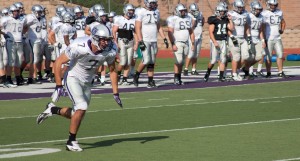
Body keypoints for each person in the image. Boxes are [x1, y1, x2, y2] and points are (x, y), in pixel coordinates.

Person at [36, 24, 122, 151]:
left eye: (108, 39)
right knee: (81, 107)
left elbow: (113, 70)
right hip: (73, 78)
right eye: (103, 39)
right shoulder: (79, 45)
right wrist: (58, 85)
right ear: (94, 38)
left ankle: (52, 110)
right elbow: (59, 61)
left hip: (88, 82)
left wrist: (115, 93)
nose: (106, 42)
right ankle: (71, 141)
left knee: (77, 113)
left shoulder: (111, 49)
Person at [133, 0, 169, 88]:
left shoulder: (156, 11)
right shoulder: (140, 11)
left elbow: (158, 26)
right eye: (152, 3)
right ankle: (136, 75)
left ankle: (150, 80)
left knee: (152, 61)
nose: (154, 4)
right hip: (145, 39)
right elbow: (137, 27)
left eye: (154, 3)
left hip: (153, 40)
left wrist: (164, 38)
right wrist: (140, 41)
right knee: (146, 60)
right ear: (146, 3)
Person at [203, 4, 234, 82]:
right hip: (216, 41)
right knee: (213, 60)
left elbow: (231, 28)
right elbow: (210, 32)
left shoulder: (226, 19)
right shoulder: (213, 19)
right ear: (217, 12)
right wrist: (214, 42)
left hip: (223, 41)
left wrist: (230, 20)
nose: (223, 13)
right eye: (221, 12)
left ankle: (221, 76)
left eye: (224, 12)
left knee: (223, 59)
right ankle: (208, 72)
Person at [167, 3, 195, 85]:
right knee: (178, 60)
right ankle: (176, 77)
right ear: (177, 11)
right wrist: (173, 44)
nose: (183, 12)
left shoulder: (188, 18)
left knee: (182, 62)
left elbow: (191, 32)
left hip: (186, 42)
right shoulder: (173, 19)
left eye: (184, 10)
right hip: (177, 42)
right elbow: (170, 33)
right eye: (181, 11)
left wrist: (192, 43)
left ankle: (179, 77)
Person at [0, 4, 25, 87]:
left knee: (19, 61)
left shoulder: (21, 19)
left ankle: (18, 78)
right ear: (11, 12)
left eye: (17, 11)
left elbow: (26, 27)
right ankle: (8, 79)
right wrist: (4, 34)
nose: (17, 12)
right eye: (15, 11)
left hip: (20, 42)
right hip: (11, 42)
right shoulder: (6, 19)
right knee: (11, 61)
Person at [227, 0, 252, 81]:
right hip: (234, 37)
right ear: (235, 6)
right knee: (236, 57)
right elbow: (227, 27)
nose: (241, 9)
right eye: (239, 7)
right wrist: (231, 36)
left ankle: (236, 71)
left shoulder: (245, 13)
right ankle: (234, 74)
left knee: (246, 56)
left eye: (242, 7)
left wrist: (248, 35)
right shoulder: (230, 14)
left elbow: (246, 25)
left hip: (242, 38)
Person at [261, 0, 286, 78]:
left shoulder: (279, 12)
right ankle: (268, 72)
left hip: (277, 37)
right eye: (272, 5)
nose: (273, 6)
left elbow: (283, 22)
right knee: (269, 56)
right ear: (268, 5)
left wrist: (282, 30)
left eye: (275, 5)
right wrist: (263, 38)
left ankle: (280, 72)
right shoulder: (264, 13)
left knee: (280, 55)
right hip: (269, 38)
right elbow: (262, 26)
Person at [113, 4, 137, 85]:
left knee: (129, 62)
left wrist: (136, 43)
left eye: (132, 10)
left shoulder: (134, 19)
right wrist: (116, 42)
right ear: (125, 10)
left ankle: (125, 78)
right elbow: (114, 31)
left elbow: (136, 33)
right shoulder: (119, 19)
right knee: (123, 62)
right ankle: (117, 75)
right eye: (129, 10)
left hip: (131, 41)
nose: (131, 12)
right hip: (121, 41)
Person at [23, 4, 44, 84]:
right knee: (34, 59)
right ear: (34, 11)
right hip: (32, 40)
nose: (39, 13)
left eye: (40, 12)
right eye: (38, 12)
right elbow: (24, 27)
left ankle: (31, 77)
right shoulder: (30, 17)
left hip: (37, 40)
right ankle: (33, 77)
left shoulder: (39, 18)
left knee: (36, 59)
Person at [183, 3, 204, 76]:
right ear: (191, 11)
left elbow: (202, 22)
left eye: (197, 10)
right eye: (194, 11)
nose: (196, 12)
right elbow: (191, 27)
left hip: (199, 36)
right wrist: (194, 19)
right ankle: (186, 69)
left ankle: (193, 69)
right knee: (191, 53)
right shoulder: (188, 16)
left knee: (196, 55)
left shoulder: (200, 14)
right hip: (192, 37)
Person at [247, 1, 266, 77]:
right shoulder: (249, 16)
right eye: (256, 9)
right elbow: (246, 27)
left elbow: (260, 30)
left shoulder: (261, 17)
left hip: (257, 38)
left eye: (259, 9)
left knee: (262, 54)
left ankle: (258, 70)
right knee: (252, 55)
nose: (258, 11)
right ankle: (250, 71)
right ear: (252, 8)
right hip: (250, 38)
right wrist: (248, 37)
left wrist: (263, 40)